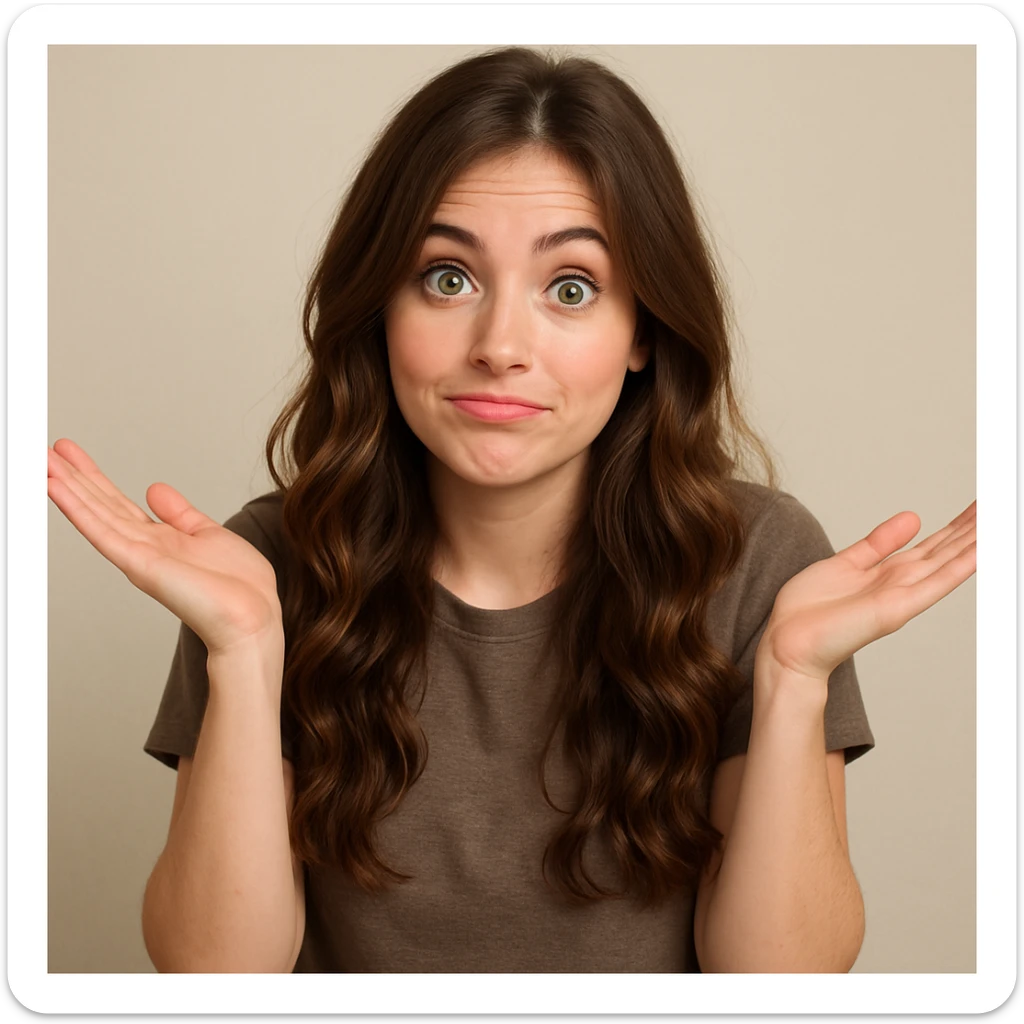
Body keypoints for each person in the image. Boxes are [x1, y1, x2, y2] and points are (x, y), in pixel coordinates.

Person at [46, 46, 977, 974]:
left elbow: (783, 982)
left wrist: (791, 680)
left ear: (643, 330)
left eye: (571, 289)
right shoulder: (262, 566)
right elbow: (214, 979)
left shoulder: (759, 562)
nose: (500, 345)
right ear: (380, 307)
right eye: (447, 277)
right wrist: (246, 654)